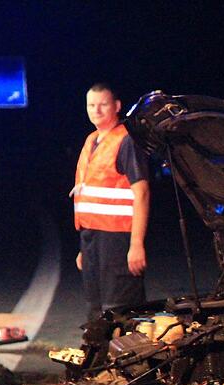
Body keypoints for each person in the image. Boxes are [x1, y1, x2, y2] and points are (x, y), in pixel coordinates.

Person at [71, 82, 149, 320]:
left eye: (103, 104)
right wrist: (86, 248)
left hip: (118, 241)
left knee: (121, 310)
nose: (96, 110)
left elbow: (142, 193)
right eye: (91, 105)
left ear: (116, 106)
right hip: (93, 240)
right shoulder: (92, 140)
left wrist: (136, 244)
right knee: (96, 311)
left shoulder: (126, 141)